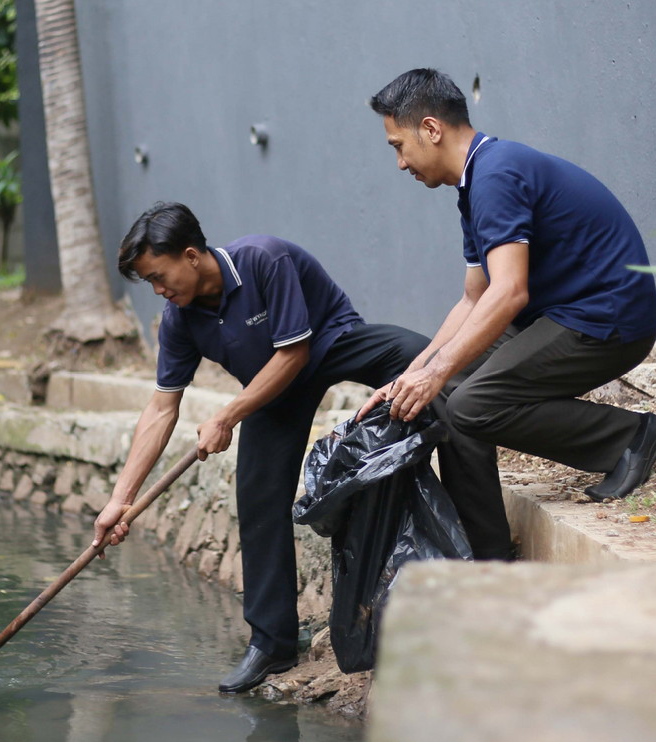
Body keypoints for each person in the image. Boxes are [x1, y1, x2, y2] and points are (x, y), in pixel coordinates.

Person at [93, 201, 482, 694]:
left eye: (158, 275)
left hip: (330, 344)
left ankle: (486, 546)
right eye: (149, 282)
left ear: (190, 255)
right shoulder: (180, 318)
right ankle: (272, 643)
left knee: (428, 364)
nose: (158, 290)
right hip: (271, 389)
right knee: (257, 498)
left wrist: (227, 415)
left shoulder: (263, 260)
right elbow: (160, 410)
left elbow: (295, 351)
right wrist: (119, 500)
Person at [359, 68, 656, 527]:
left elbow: (508, 293)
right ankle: (484, 551)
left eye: (398, 146)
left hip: (608, 321)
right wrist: (414, 375)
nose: (401, 163)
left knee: (470, 404)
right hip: (564, 317)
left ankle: (629, 435)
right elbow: (473, 299)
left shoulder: (497, 175)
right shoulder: (474, 183)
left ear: (430, 128)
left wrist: (438, 369)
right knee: (441, 391)